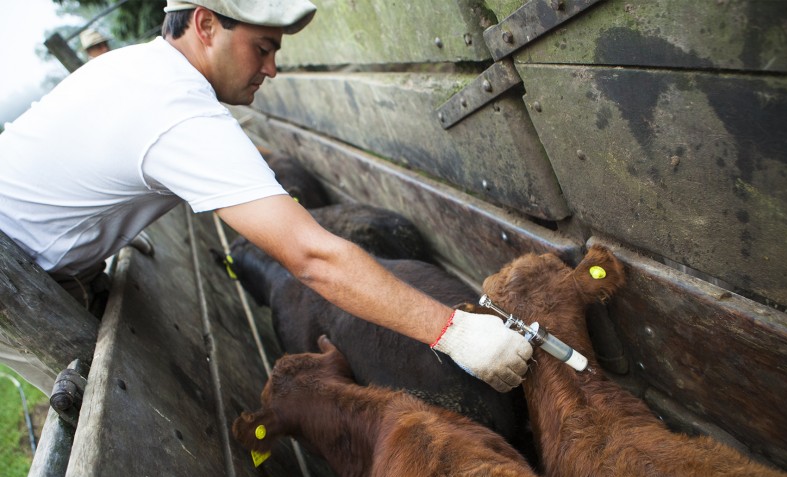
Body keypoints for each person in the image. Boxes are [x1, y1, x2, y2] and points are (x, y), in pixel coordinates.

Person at [0, 0, 533, 395]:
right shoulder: (175, 110)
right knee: (78, 390)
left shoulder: (137, 70)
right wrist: (454, 332)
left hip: (34, 248)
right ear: (206, 24)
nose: (272, 68)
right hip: (17, 284)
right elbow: (311, 256)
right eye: (263, 47)